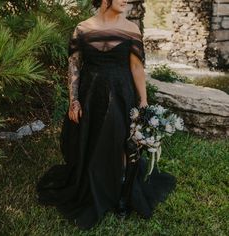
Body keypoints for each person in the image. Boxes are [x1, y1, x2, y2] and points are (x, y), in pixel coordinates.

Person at [36, 0, 177, 230]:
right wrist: (74, 100)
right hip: (90, 94)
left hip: (122, 93)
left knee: (123, 140)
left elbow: (136, 68)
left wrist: (143, 101)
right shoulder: (82, 28)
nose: (125, 0)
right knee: (91, 140)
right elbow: (74, 65)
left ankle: (123, 193)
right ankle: (93, 184)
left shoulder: (131, 29)